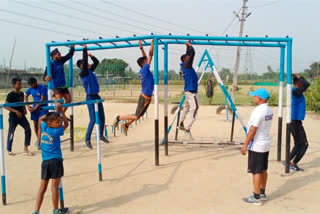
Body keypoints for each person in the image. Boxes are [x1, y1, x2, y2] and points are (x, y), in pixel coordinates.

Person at [112, 40, 154, 136]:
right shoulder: (145, 69)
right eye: (145, 61)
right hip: (145, 97)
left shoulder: (143, 69)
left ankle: (126, 125)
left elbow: (146, 57)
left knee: (139, 115)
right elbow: (151, 55)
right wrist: (152, 43)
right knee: (136, 116)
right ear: (144, 63)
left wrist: (141, 48)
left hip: (146, 96)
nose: (147, 60)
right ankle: (119, 118)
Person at [33, 103, 69, 214]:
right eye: (58, 122)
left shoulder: (44, 127)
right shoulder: (56, 131)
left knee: (42, 188)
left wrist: (53, 112)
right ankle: (55, 210)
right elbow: (66, 124)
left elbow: (41, 119)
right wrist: (61, 110)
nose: (60, 124)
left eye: (59, 122)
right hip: (56, 161)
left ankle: (36, 211)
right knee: (54, 187)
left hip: (45, 162)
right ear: (50, 123)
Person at [241, 88, 273, 206]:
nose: (253, 98)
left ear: (260, 99)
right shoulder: (269, 110)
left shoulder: (259, 111)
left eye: (254, 96)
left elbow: (253, 129)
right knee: (263, 169)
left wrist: (245, 145)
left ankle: (256, 196)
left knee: (256, 171)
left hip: (257, 145)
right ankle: (262, 193)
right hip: (265, 144)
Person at [76, 44, 109, 149]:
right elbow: (85, 62)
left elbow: (97, 62)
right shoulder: (83, 73)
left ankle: (100, 135)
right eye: (86, 63)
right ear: (82, 66)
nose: (89, 64)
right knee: (93, 120)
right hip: (90, 97)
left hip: (97, 96)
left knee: (102, 117)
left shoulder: (90, 71)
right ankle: (87, 139)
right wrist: (85, 49)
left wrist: (91, 56)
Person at [4, 77, 32, 156]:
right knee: (11, 132)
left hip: (22, 116)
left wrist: (24, 109)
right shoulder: (10, 94)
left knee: (28, 129)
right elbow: (5, 105)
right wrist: (15, 111)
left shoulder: (21, 93)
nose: (20, 85)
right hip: (13, 117)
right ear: (14, 85)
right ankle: (9, 149)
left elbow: (21, 102)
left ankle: (26, 149)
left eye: (21, 84)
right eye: (18, 84)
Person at [288, 73, 310, 171]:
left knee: (298, 143)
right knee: (304, 144)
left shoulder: (295, 91)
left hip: (294, 121)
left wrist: (298, 77)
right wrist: (297, 75)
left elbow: (305, 84)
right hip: (295, 122)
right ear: (299, 84)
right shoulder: (296, 92)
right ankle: (293, 164)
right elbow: (307, 84)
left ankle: (288, 161)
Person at [44, 46, 75, 113]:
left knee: (69, 100)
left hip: (63, 85)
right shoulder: (50, 64)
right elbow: (45, 77)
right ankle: (58, 115)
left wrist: (72, 47)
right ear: (53, 56)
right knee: (60, 102)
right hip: (56, 86)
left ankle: (62, 113)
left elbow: (69, 55)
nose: (60, 56)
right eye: (59, 54)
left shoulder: (61, 60)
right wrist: (46, 78)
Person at [178, 41, 199, 140]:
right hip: (191, 91)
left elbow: (189, 54)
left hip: (188, 91)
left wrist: (187, 47)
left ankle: (181, 122)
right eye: (187, 58)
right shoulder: (187, 65)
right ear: (185, 60)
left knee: (186, 107)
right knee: (195, 108)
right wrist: (190, 46)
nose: (189, 58)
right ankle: (187, 129)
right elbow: (193, 53)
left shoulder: (184, 66)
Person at [25, 77, 48, 150]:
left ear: (36, 82)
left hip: (42, 108)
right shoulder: (31, 89)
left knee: (40, 124)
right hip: (34, 109)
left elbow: (42, 99)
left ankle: (39, 142)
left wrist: (35, 108)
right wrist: (28, 106)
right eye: (30, 85)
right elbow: (25, 95)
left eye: (33, 84)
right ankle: (38, 139)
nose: (32, 86)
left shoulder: (42, 87)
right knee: (35, 125)